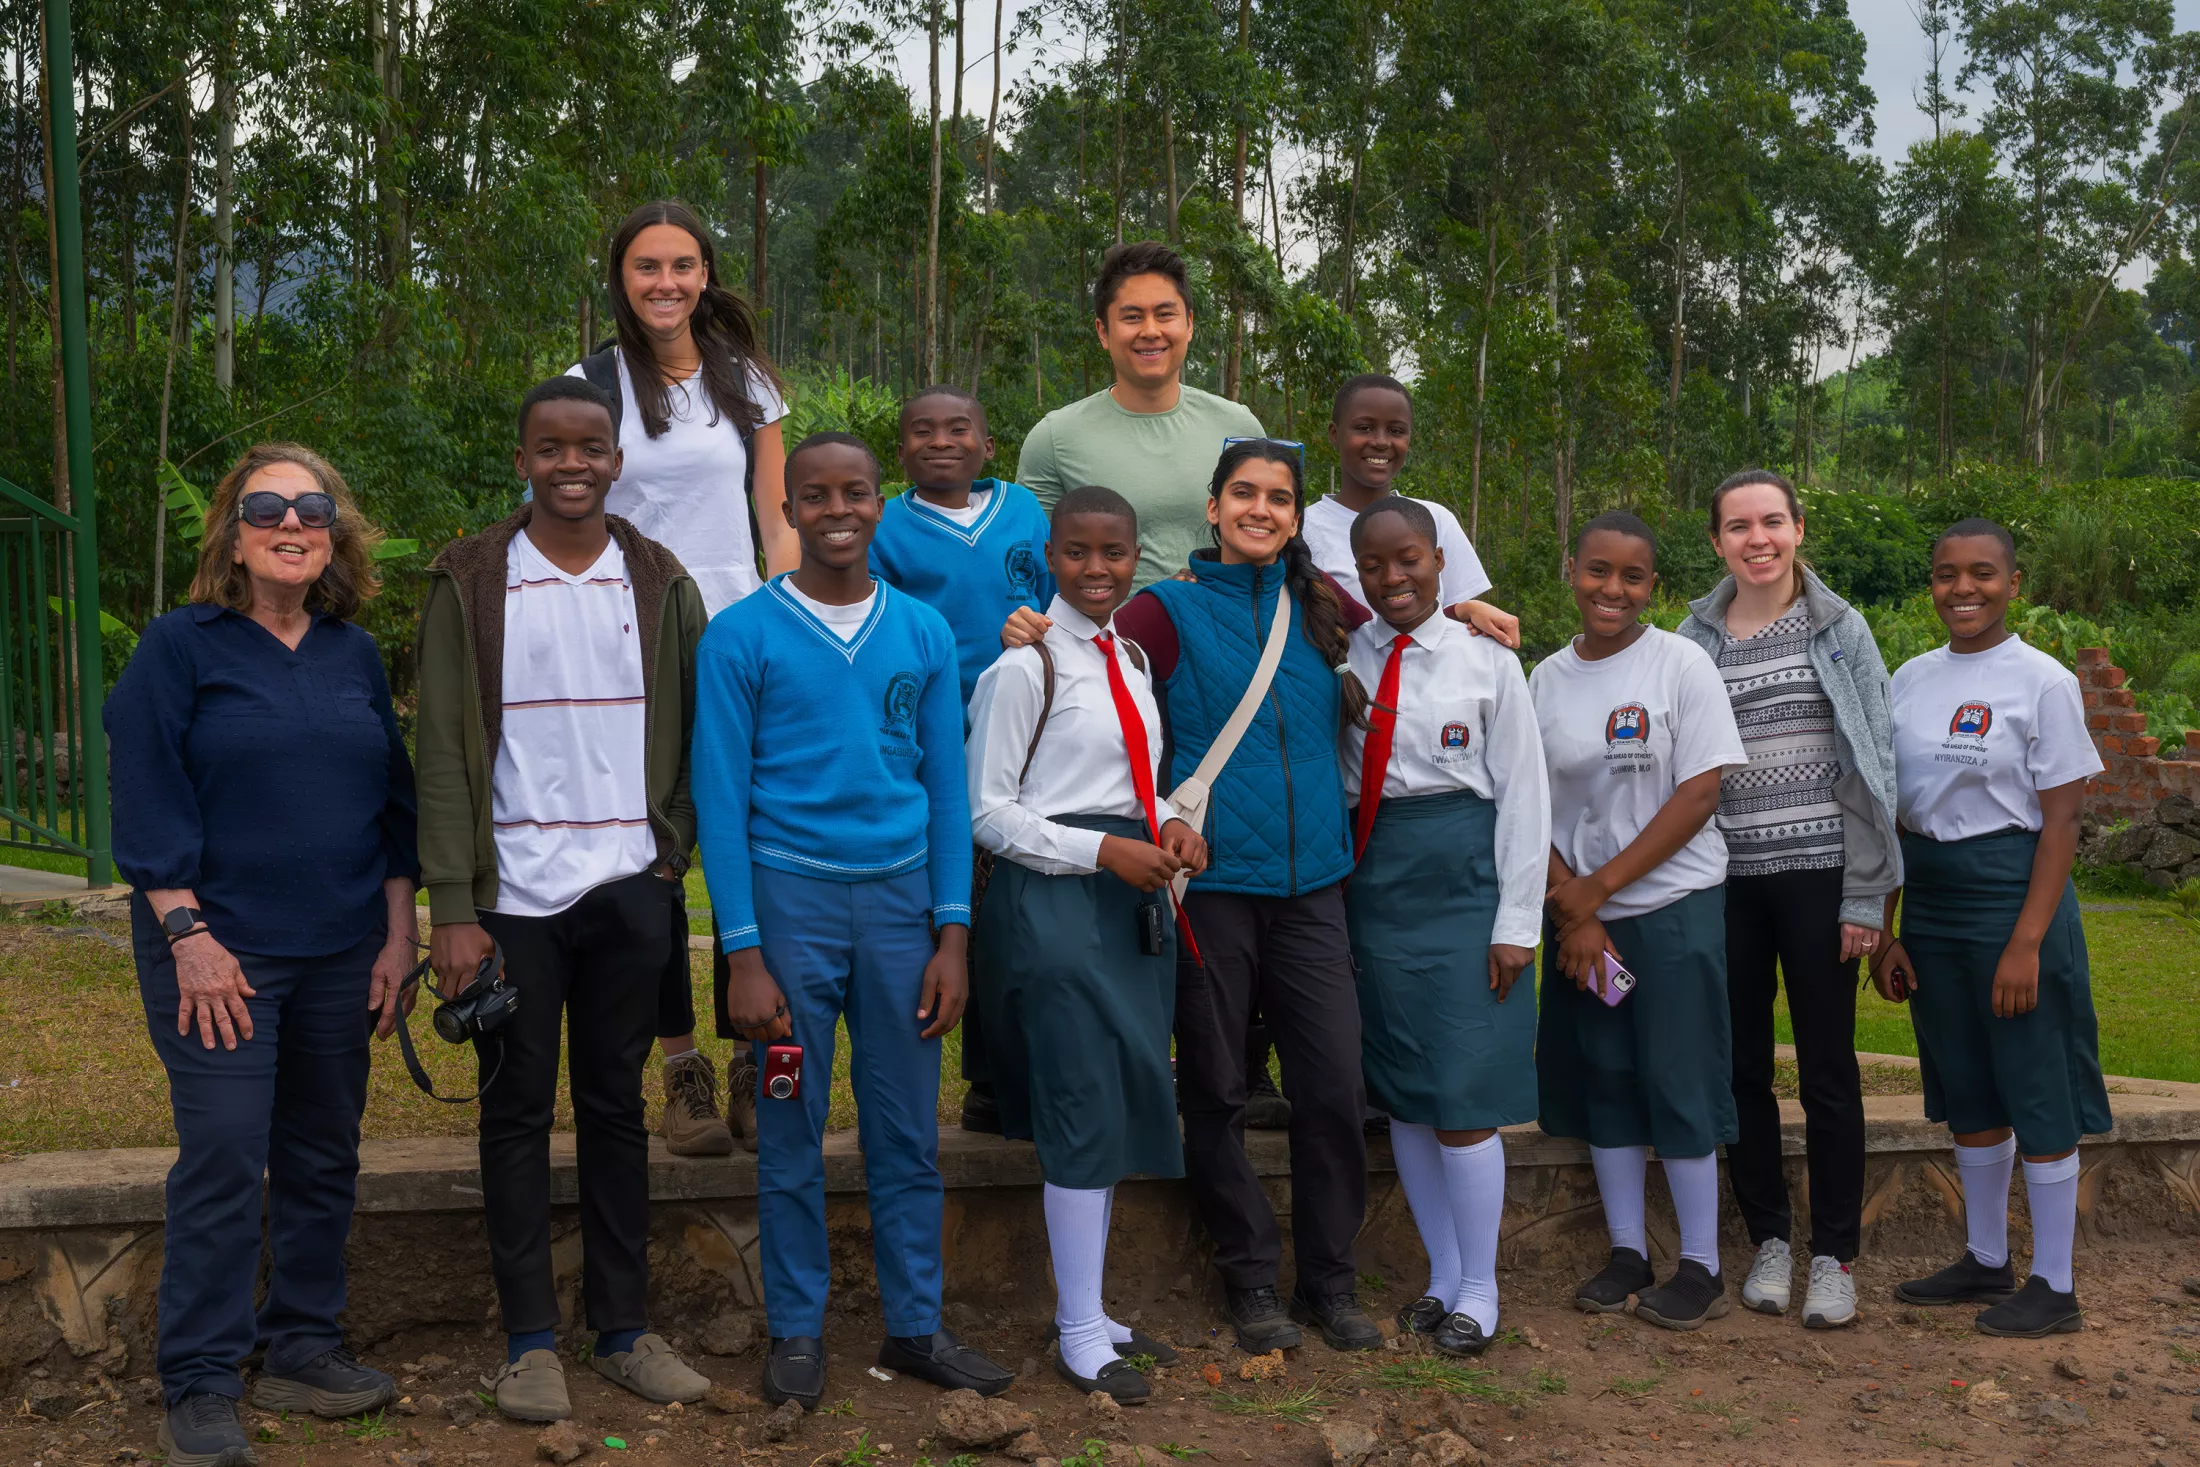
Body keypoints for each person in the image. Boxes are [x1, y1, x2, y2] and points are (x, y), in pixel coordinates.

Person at [1008, 439, 1382, 1354]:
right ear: (1212, 508)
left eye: (1280, 498)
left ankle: (1330, 1282)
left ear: (1297, 515)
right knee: (1214, 1089)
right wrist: (1026, 630)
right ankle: (1251, 1275)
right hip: (1205, 885)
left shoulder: (1323, 604)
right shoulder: (1162, 609)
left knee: (1334, 1088)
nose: (1262, 509)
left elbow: (1411, 609)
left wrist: (1476, 611)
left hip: (1313, 888)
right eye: (1244, 494)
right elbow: (1087, 653)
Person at [106, 442, 418, 1467]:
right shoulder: (179, 647)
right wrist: (188, 937)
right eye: (267, 507)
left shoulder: (353, 655)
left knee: (325, 1152)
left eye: (313, 507)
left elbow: (393, 807)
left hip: (341, 949)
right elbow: (147, 794)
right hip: (219, 955)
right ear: (233, 537)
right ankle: (198, 1376)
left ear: (336, 533)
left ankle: (301, 1347)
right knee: (229, 1153)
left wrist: (397, 934)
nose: (292, 522)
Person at [693, 431, 1014, 1409]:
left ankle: (915, 1324)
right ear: (787, 510)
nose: (837, 510)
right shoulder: (742, 634)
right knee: (789, 1125)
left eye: (857, 493)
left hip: (900, 912)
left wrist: (951, 936)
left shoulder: (918, 632)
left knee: (904, 1132)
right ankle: (795, 1329)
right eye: (816, 495)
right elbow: (719, 796)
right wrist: (743, 953)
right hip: (789, 914)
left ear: (881, 504)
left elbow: (948, 795)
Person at [416, 377, 713, 1422]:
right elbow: (445, 753)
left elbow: (695, 727)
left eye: (590, 446)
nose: (572, 463)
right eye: (551, 447)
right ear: (523, 460)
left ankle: (624, 1329)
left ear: (615, 461)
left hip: (629, 888)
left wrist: (667, 855)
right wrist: (453, 905)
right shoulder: (473, 579)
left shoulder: (659, 580)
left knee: (615, 1110)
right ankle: (530, 1342)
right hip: (511, 901)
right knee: (513, 1112)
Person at [966, 484, 1210, 1402]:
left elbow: (1132, 783)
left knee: (1107, 1103)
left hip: (1129, 901)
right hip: (1056, 903)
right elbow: (988, 812)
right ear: (1050, 557)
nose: (1097, 569)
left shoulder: (1135, 658)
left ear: (1136, 554)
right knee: (1077, 1105)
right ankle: (1076, 1330)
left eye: (1115, 552)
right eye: (1078, 552)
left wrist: (1169, 830)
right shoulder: (1023, 669)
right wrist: (1100, 849)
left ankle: (1094, 1305)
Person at [564, 199, 791, 1159]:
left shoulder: (746, 382)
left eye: (683, 266)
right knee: (658, 860)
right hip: (638, 643)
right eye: (647, 267)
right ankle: (682, 1070)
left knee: (762, 842)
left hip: (744, 640)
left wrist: (797, 624)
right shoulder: (594, 384)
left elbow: (777, 519)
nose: (666, 283)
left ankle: (754, 1057)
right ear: (620, 278)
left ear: (707, 274)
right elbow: (570, 516)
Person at [1674, 469, 1900, 1331]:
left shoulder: (1839, 629)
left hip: (1820, 880)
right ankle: (1769, 1237)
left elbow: (1879, 764)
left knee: (1828, 1072)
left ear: (1799, 529)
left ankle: (1833, 1255)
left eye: (1773, 521)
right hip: (1723, 881)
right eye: (1739, 526)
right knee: (1741, 1071)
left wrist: (1867, 895)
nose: (1757, 538)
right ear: (1717, 541)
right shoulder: (1693, 638)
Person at [1873, 519, 2111, 1338]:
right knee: (1966, 1083)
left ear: (2013, 583)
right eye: (1946, 574)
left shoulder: (2041, 680)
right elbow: (1895, 814)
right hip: (1932, 900)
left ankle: (2056, 1281)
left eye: (1981, 573)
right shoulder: (1908, 677)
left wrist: (2027, 940)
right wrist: (1888, 926)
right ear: (1932, 584)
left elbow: (2062, 821)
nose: (1962, 589)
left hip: (2014, 894)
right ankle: (1985, 1257)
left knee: (2035, 1083)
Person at [1340, 497, 1550, 1358]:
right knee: (1409, 1100)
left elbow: (1526, 795)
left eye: (1410, 560)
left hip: (1467, 883)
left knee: (1463, 1099)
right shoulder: (1343, 652)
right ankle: (1440, 1274)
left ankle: (1483, 1287)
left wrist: (1517, 923)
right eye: (1375, 566)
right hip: (1377, 886)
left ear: (1440, 562)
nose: (1394, 578)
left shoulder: (1487, 659)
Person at [1529, 512, 1748, 1332]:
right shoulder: (1544, 680)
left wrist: (1600, 890)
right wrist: (1572, 905)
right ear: (1572, 570)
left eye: (1632, 576)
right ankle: (1627, 1250)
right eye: (1597, 571)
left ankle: (1701, 1265)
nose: (1611, 589)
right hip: (1584, 918)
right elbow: (1534, 805)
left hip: (1670, 908)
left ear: (1653, 584)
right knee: (1607, 1076)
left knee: (1678, 1078)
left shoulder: (1682, 664)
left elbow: (1698, 794)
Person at [869, 384, 1057, 1137]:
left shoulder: (1023, 512)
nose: (940, 441)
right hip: (938, 738)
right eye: (922, 431)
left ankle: (1029, 1060)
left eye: (958, 428)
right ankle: (983, 1076)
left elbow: (1056, 601)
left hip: (1029, 732)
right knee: (963, 908)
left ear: (986, 443)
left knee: (1022, 902)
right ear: (902, 450)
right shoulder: (886, 523)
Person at [1017, 241, 1263, 591]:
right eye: (1132, 317)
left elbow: (1269, 546)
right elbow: (1031, 567)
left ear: (1189, 324)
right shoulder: (1054, 439)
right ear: (1103, 331)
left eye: (1165, 314)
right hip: (1104, 643)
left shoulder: (1239, 428)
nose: (1150, 330)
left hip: (1227, 635)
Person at [1304, 373, 1519, 647]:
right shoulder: (1302, 528)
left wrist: (1467, 609)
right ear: (1334, 434)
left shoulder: (1433, 520)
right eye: (1364, 428)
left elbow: (1465, 626)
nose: (1381, 441)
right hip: (1342, 685)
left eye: (1395, 431)